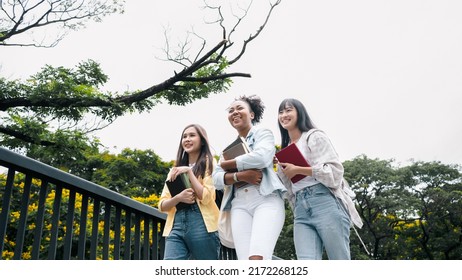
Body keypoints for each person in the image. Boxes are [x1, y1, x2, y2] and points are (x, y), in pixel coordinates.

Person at [275, 98, 360, 260]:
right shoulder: (285, 150)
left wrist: (299, 169)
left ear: (300, 113)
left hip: (325, 202)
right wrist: (278, 168)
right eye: (281, 112)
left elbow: (334, 173)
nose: (284, 115)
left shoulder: (314, 136)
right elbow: (286, 188)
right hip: (300, 209)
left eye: (288, 110)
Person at [212, 95, 286, 260]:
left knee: (257, 258)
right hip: (238, 204)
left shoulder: (262, 133)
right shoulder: (228, 149)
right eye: (231, 110)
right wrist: (241, 175)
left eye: (240, 108)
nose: (235, 112)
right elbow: (215, 179)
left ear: (251, 114)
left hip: (265, 198)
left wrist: (230, 165)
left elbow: (262, 157)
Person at [158, 124, 220, 260]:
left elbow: (207, 197)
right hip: (176, 224)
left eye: (192, 135)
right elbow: (162, 205)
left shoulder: (210, 163)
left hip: (202, 224)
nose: (187, 139)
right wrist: (178, 198)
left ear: (202, 140)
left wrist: (189, 172)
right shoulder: (174, 170)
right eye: (184, 136)